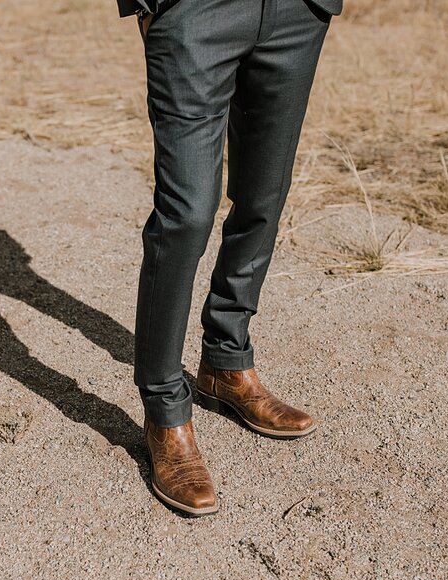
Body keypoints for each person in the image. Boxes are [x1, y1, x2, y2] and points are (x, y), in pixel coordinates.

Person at [119, 0, 341, 516]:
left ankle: (226, 359)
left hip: (295, 13)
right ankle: (165, 411)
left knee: (264, 196)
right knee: (187, 214)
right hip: (195, 11)